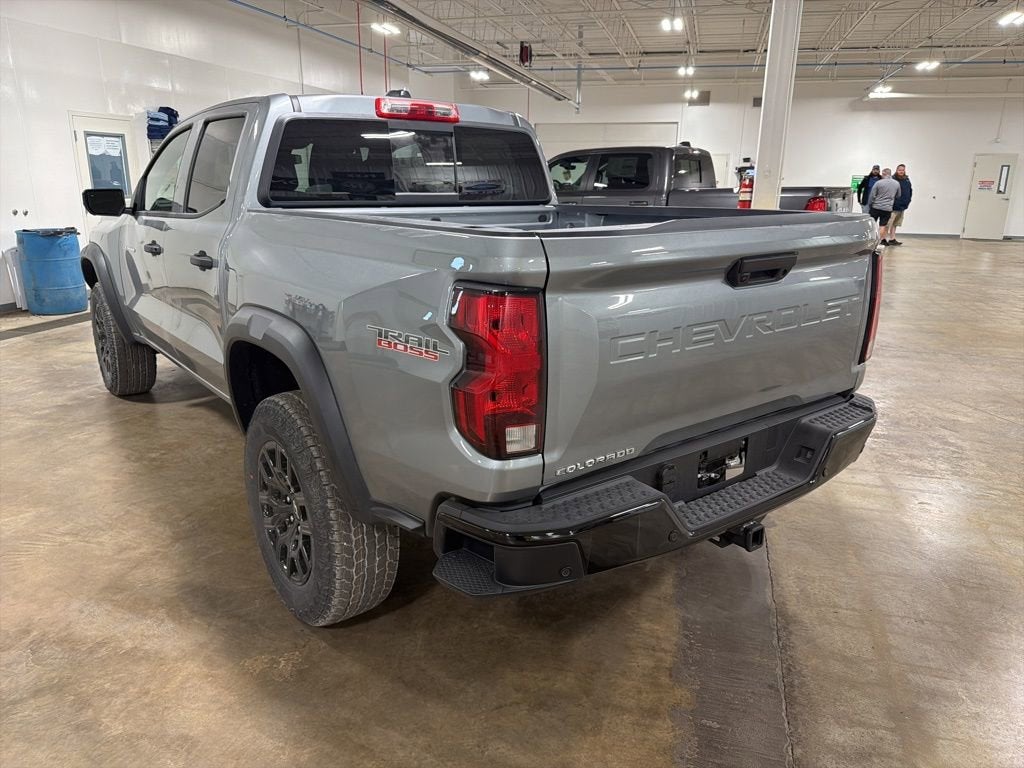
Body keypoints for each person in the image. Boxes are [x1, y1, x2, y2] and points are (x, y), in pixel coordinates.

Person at [867, 167, 902, 245]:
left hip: (876, 207)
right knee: (882, 225)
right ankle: (878, 242)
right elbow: (898, 195)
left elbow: (872, 195)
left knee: (872, 224)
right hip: (887, 209)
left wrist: (870, 205)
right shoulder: (896, 183)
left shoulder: (878, 183)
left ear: (883, 174)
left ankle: (870, 241)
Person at [888, 164, 913, 245]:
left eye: (903, 170)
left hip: (902, 206)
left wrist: (908, 201)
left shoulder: (907, 180)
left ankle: (892, 239)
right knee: (888, 224)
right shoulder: (893, 179)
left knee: (895, 224)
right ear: (896, 170)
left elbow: (910, 191)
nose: (901, 171)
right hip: (893, 206)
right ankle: (882, 240)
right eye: (900, 170)